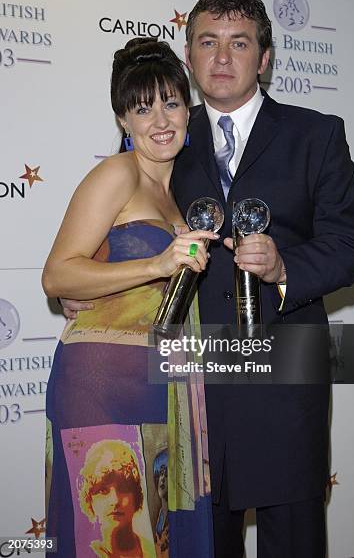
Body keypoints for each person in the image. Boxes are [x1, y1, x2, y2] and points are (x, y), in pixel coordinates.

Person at [62, 0, 354, 557]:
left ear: (266, 57)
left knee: (294, 541)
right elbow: (118, 231)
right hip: (190, 381)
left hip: (285, 373)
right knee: (204, 542)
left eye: (239, 42)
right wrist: (88, 293)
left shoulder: (316, 133)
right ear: (190, 56)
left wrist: (284, 265)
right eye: (208, 42)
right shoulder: (166, 136)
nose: (222, 57)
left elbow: (352, 244)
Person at [43, 38, 217, 557]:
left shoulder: (179, 192)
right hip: (102, 386)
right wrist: (157, 264)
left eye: (171, 102)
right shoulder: (117, 174)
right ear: (123, 119)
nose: (160, 119)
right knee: (115, 539)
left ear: (189, 110)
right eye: (143, 108)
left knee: (156, 539)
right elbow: (57, 276)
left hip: (161, 386)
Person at [78, 439, 146, 557]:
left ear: (136, 495)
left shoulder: (152, 548)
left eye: (124, 488)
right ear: (90, 500)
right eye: (103, 491)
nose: (115, 500)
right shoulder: (85, 553)